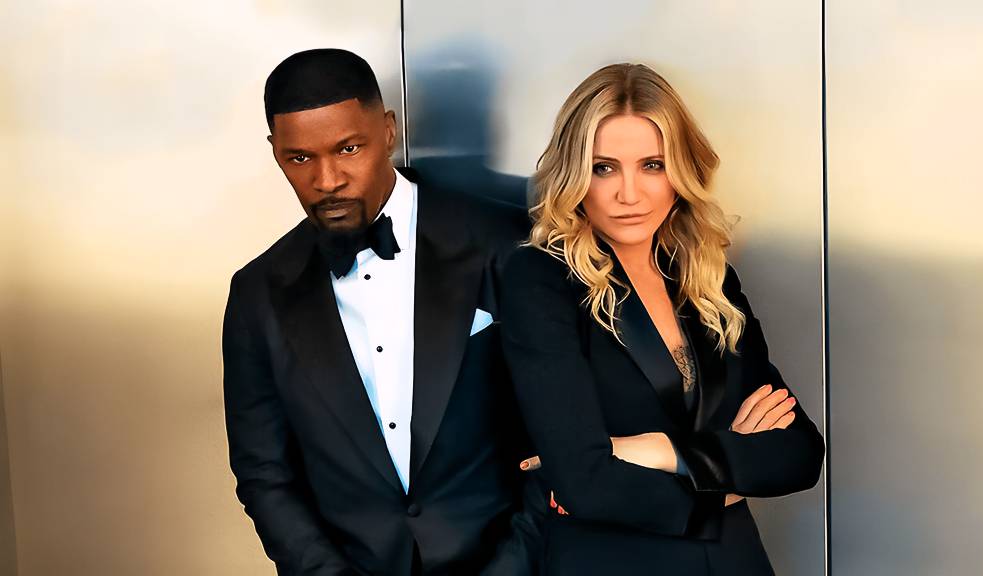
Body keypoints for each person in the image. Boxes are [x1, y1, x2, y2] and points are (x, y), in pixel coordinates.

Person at [222, 48, 543, 576]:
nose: (327, 179)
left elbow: (560, 435)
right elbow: (264, 474)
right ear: (275, 152)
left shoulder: (506, 244)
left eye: (348, 148)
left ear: (389, 131)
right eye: (299, 158)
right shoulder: (256, 293)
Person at [501, 63, 825, 575]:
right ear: (574, 175)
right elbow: (585, 482)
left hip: (736, 561)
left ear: (681, 170)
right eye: (604, 168)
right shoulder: (541, 280)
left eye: (652, 165)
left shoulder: (708, 278)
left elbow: (799, 452)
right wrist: (728, 480)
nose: (629, 194)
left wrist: (660, 450)